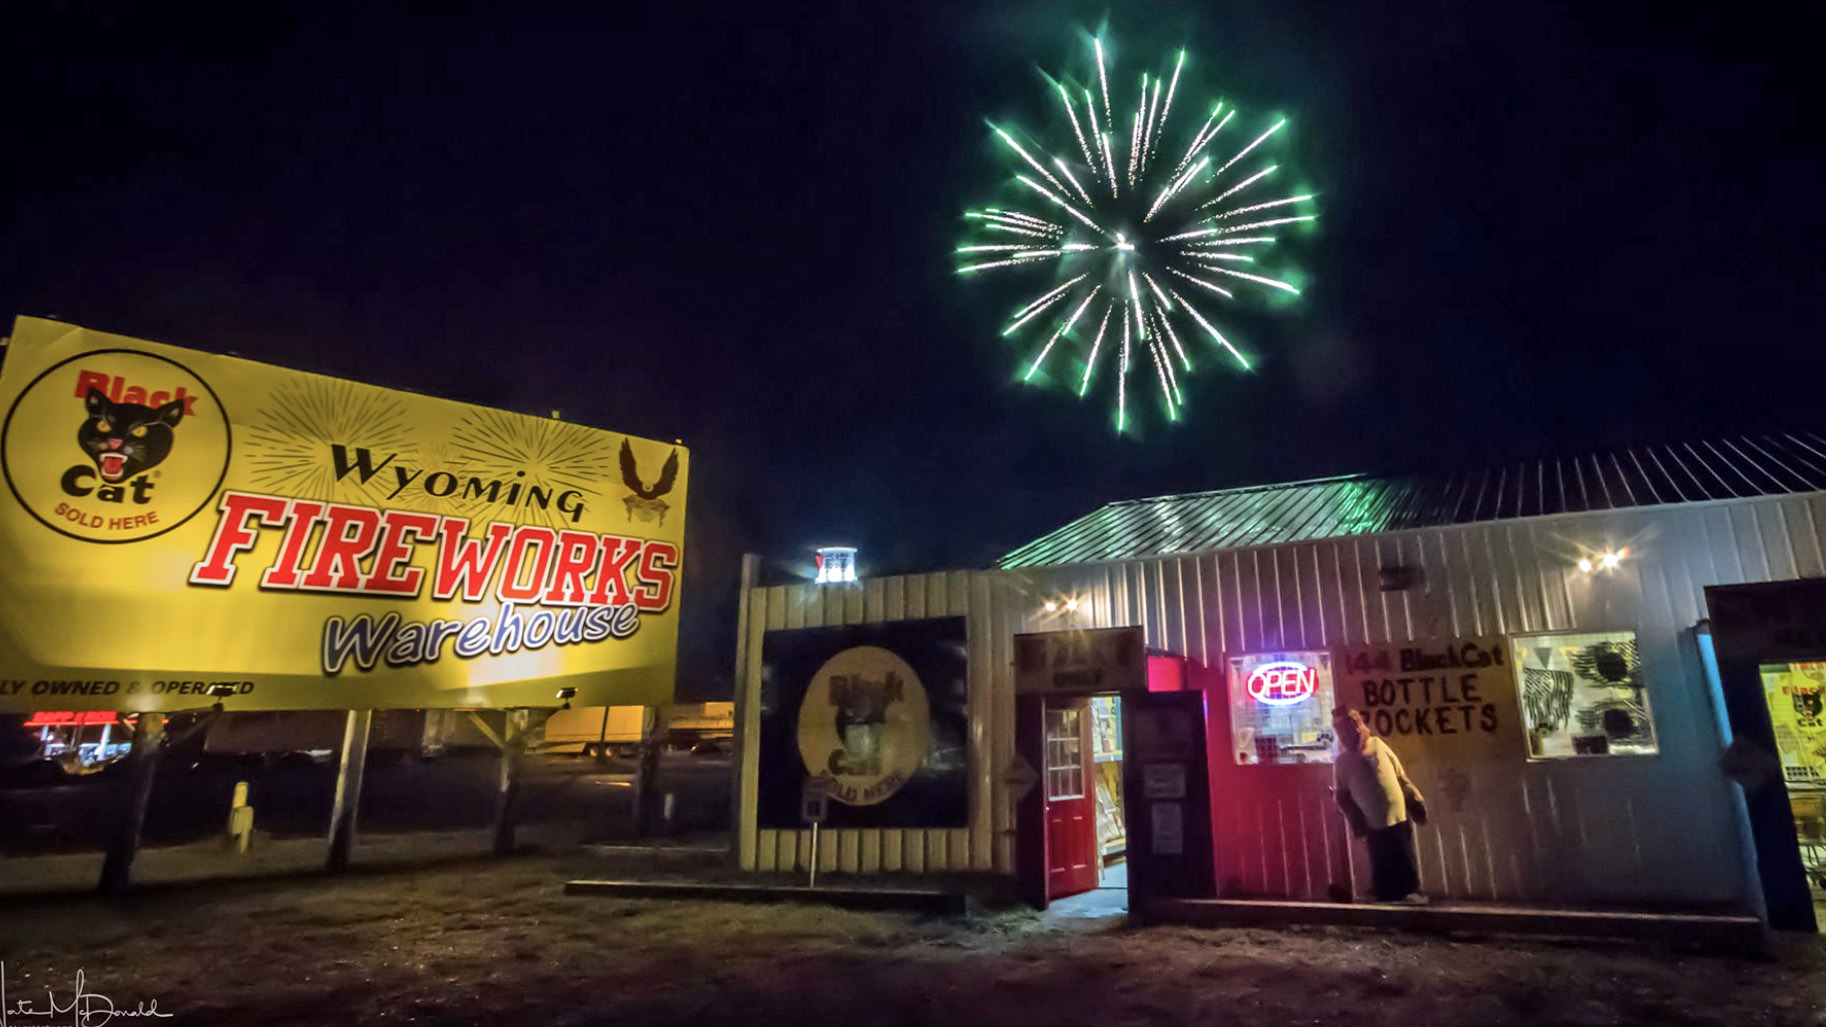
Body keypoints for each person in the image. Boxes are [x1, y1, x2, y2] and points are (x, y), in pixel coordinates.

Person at [1331, 706, 1428, 904]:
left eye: (1354, 724)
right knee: (1381, 859)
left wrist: (1415, 798)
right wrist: (1354, 819)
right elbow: (1342, 796)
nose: (1353, 731)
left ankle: (1411, 892)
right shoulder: (1343, 762)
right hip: (1373, 822)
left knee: (1404, 857)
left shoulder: (1378, 746)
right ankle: (1385, 895)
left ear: (1360, 724)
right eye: (1345, 729)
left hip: (1399, 816)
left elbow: (1400, 776)